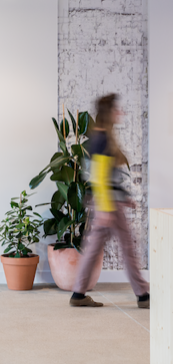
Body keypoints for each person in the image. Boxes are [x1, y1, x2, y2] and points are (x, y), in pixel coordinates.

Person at [70, 94, 149, 308]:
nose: (120, 112)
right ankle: (143, 294)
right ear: (109, 112)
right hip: (108, 207)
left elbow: (105, 177)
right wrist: (106, 209)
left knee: (93, 249)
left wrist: (123, 197)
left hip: (105, 204)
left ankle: (78, 293)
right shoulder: (102, 140)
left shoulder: (100, 137)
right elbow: (99, 178)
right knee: (127, 249)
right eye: (116, 109)